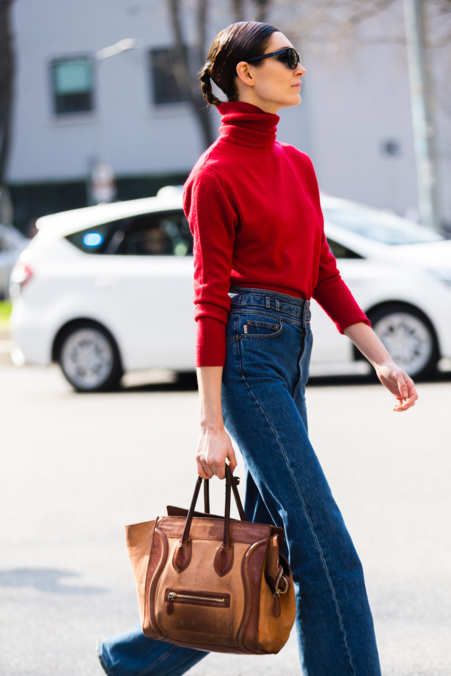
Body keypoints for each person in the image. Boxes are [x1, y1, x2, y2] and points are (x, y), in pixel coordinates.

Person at [98, 20, 418, 676]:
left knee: (257, 544)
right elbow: (210, 301)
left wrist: (377, 353)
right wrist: (209, 425)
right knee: (325, 549)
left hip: (289, 350)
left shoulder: (295, 165)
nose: (300, 68)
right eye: (287, 58)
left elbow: (320, 269)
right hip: (248, 359)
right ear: (246, 73)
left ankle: (135, 662)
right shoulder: (212, 176)